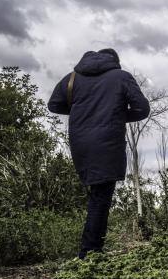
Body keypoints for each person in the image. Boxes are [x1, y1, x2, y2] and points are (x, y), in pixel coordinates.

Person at [47, 48, 149, 259]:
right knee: (101, 198)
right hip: (107, 143)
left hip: (81, 144)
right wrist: (117, 115)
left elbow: (54, 105)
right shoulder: (121, 77)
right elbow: (142, 109)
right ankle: (89, 254)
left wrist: (82, 114)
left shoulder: (72, 78)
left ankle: (91, 250)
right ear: (115, 61)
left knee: (97, 195)